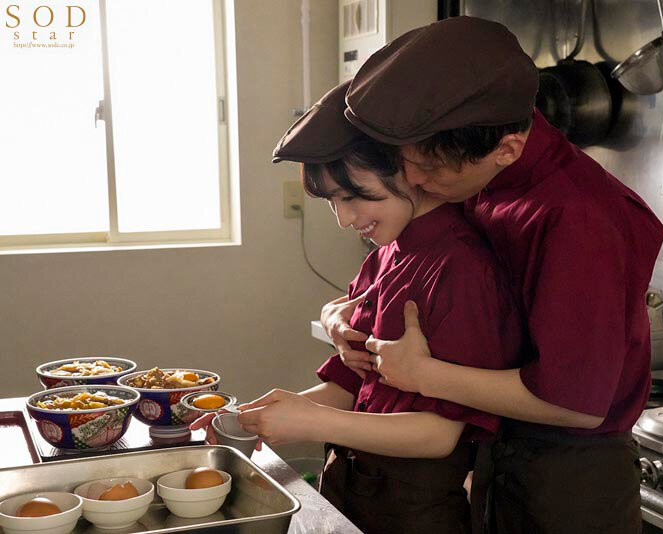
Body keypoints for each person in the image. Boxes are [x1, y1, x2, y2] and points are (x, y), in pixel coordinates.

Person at [319, 16, 663, 534]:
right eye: (408, 164)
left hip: (567, 480)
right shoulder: (477, 174)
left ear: (506, 148)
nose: (413, 181)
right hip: (495, 456)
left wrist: (423, 375)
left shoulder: (582, 218)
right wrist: (343, 316)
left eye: (430, 171)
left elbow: (575, 407)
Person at [192, 81, 522, 534]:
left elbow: (438, 435)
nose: (345, 219)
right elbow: (353, 384)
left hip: (416, 510)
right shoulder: (384, 256)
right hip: (352, 487)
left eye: (354, 196)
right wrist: (256, 418)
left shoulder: (462, 268)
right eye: (332, 200)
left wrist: (312, 421)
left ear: (411, 168)